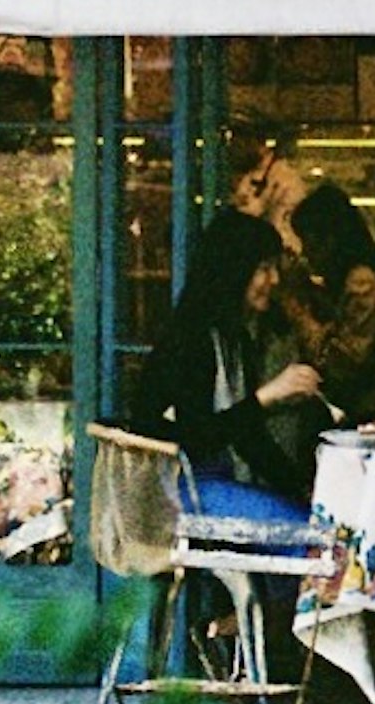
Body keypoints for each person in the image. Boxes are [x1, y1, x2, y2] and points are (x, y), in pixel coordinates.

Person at [128, 208, 325, 520]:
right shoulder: (190, 339)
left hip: (208, 484)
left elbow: (250, 438)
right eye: (264, 268)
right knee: (305, 532)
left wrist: (302, 487)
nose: (274, 280)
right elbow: (196, 438)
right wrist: (265, 398)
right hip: (177, 490)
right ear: (234, 269)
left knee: (310, 518)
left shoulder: (233, 337)